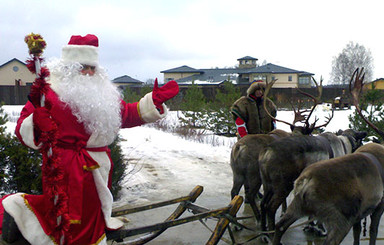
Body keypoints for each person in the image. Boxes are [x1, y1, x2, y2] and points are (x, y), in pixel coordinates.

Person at [0, 34, 179, 245]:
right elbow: (22, 129)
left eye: (92, 68)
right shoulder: (47, 93)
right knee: (63, 216)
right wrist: (36, 123)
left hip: (97, 170)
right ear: (68, 68)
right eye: (82, 67)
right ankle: (23, 216)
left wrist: (152, 103)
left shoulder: (103, 96)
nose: (88, 72)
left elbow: (125, 114)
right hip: (63, 168)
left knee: (92, 212)